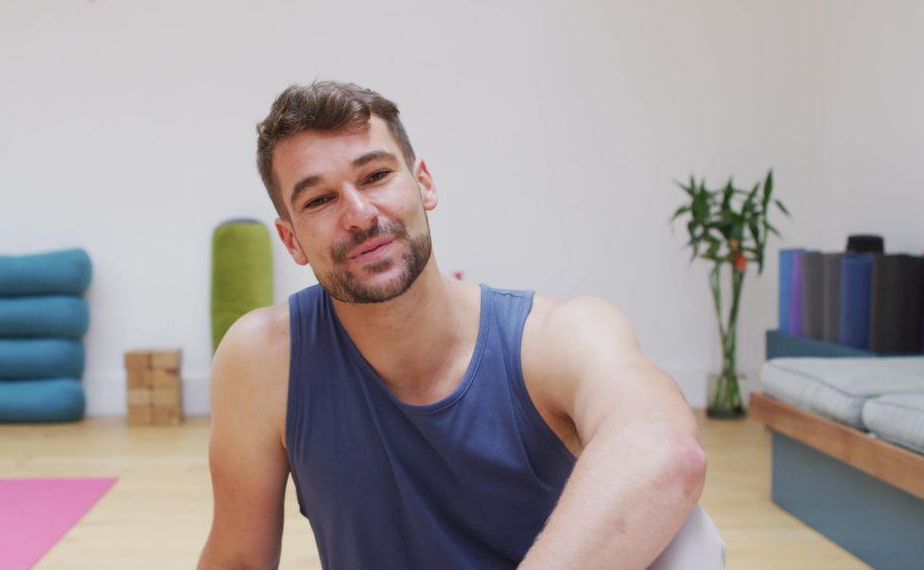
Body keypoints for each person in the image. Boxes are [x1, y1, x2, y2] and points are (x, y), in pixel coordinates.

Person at [198, 81, 725, 569]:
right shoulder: (265, 361)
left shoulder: (554, 337)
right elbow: (237, 560)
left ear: (423, 184)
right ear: (291, 240)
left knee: (689, 541)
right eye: (319, 200)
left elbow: (665, 449)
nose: (359, 214)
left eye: (376, 176)